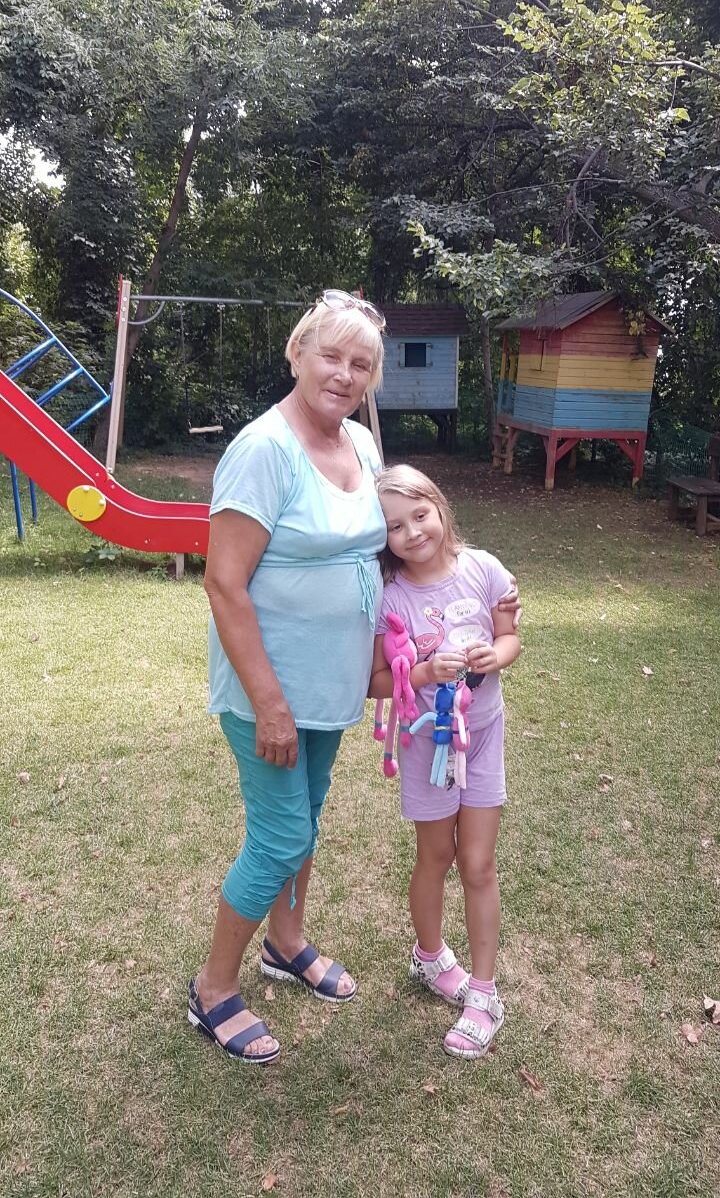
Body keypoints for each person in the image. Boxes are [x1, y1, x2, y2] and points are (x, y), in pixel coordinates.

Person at [188, 289, 388, 1063]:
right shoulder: (263, 450)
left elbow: (375, 552)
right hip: (267, 690)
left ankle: (287, 942)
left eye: (360, 363)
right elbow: (224, 583)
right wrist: (269, 704)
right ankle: (213, 989)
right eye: (331, 355)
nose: (344, 374)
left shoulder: (360, 443)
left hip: (330, 684)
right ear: (298, 352)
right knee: (279, 837)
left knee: (309, 812)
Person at [369, 464, 521, 1060]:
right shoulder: (390, 597)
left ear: (440, 507)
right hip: (424, 746)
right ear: (382, 537)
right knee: (435, 856)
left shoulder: (484, 569)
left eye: (420, 515)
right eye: (394, 527)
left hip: (482, 738)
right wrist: (425, 671)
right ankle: (429, 958)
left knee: (478, 863)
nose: (412, 533)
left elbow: (511, 637)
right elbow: (375, 682)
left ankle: (483, 995)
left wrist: (495, 656)